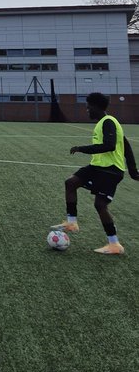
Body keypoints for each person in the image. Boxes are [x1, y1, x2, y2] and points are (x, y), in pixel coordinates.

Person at [52, 91, 139, 255]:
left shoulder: (108, 122)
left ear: (96, 107)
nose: (87, 110)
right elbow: (126, 146)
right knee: (71, 183)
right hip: (97, 167)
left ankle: (114, 244)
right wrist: (133, 171)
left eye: (88, 107)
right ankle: (71, 223)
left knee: (100, 205)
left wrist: (81, 149)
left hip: (110, 170)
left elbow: (110, 145)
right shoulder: (105, 122)